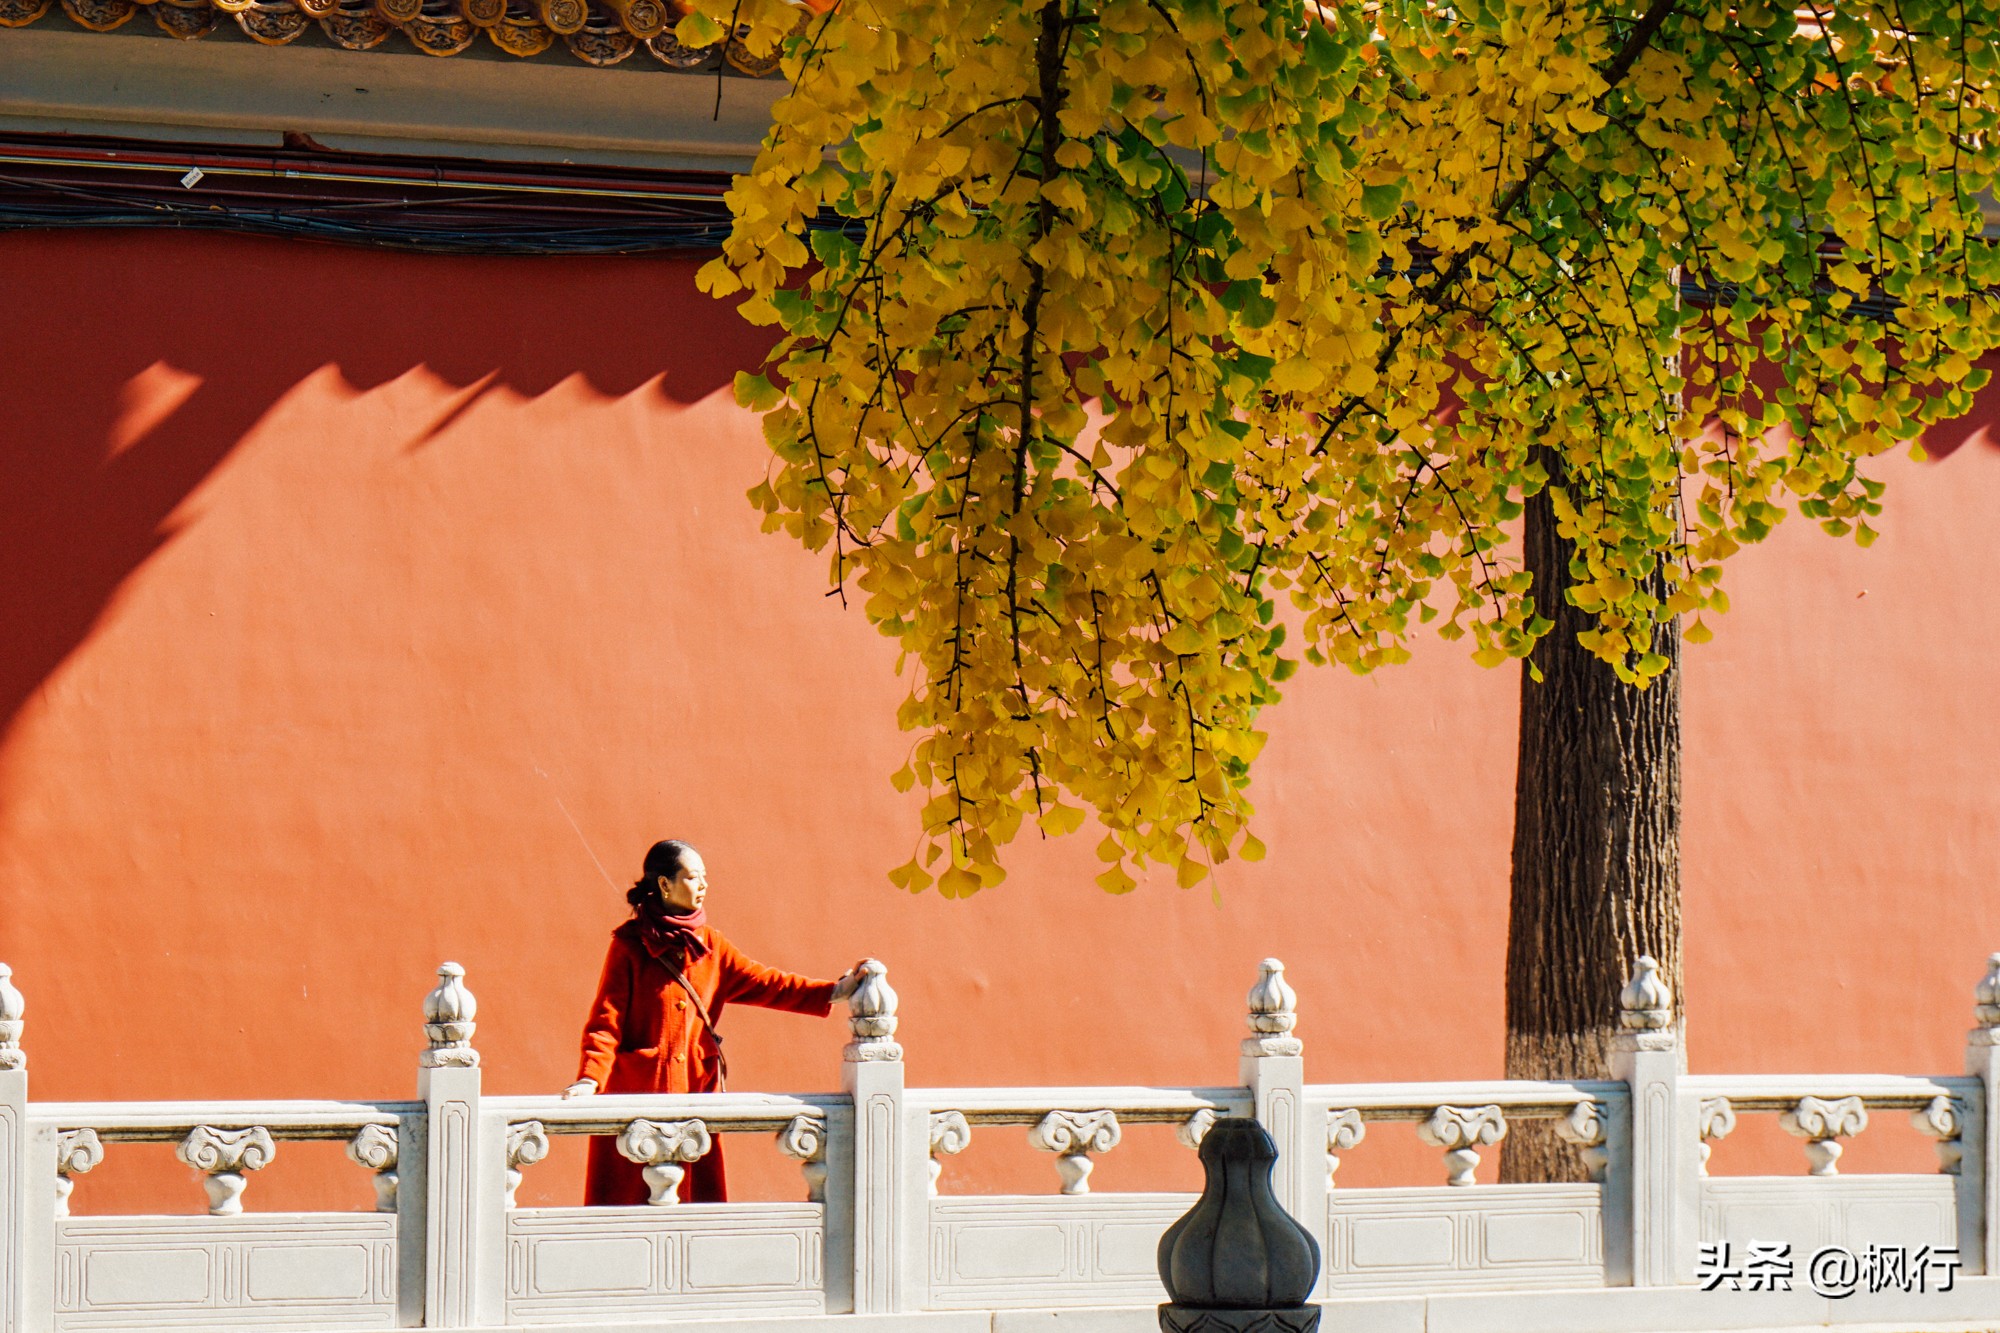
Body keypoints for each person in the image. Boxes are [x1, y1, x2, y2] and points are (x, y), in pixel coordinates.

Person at [565, 839, 863, 1205]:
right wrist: (589, 1078)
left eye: (705, 877)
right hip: (639, 1094)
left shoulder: (712, 947)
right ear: (664, 885)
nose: (703, 886)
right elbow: (606, 1020)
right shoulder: (629, 945)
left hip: (695, 1093)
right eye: (693, 877)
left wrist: (834, 990)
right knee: (629, 1205)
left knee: (693, 1206)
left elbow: (768, 983)